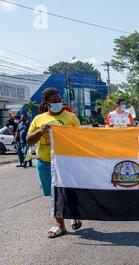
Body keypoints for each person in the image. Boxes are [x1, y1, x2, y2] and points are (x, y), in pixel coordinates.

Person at [27, 88, 83, 239]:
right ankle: (60, 225)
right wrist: (40, 131)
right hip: (45, 163)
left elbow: (82, 138)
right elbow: (29, 140)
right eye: (54, 101)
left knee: (69, 190)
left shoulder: (70, 117)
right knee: (53, 194)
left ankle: (73, 214)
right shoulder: (38, 119)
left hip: (67, 162)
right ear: (46, 103)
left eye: (59, 101)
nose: (58, 103)